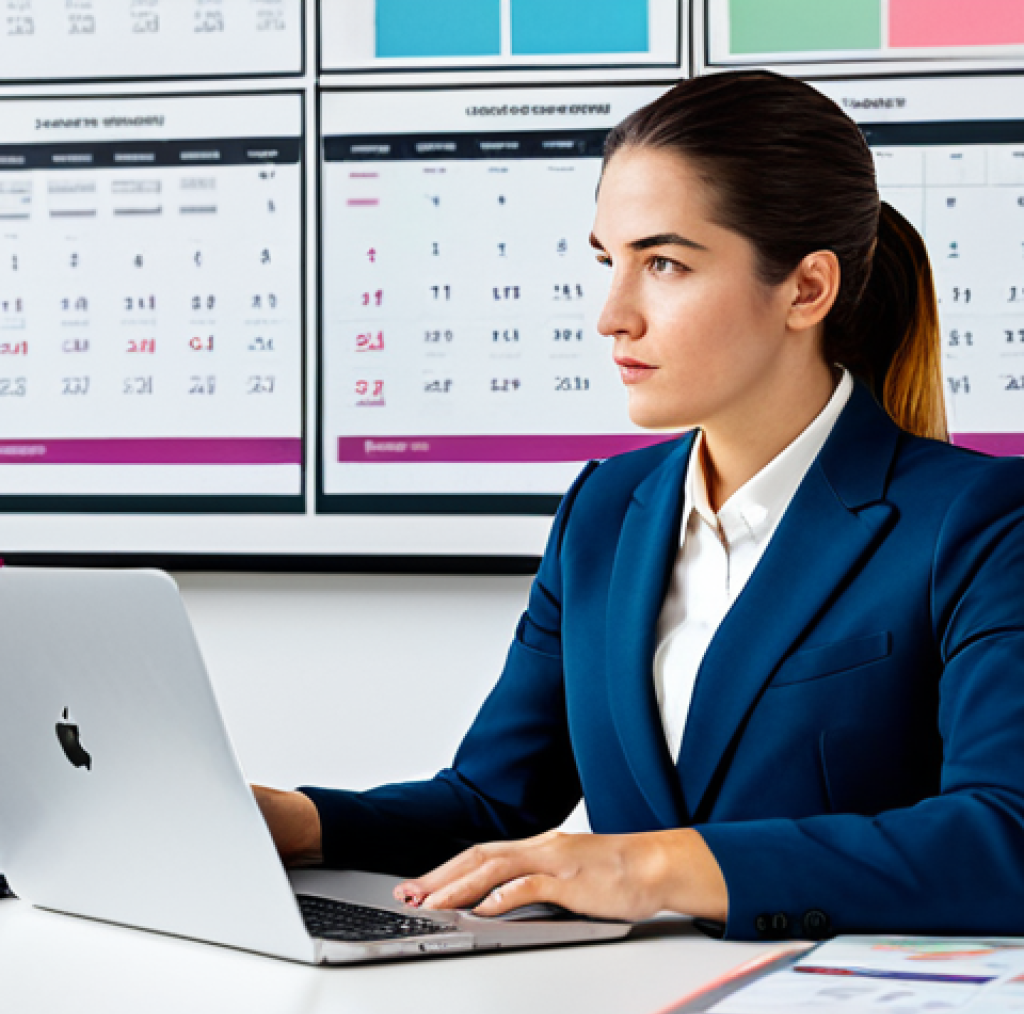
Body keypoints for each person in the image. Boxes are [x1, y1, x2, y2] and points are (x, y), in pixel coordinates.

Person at [254, 71, 1024, 941]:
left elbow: (1005, 835)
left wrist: (651, 863)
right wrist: (296, 821)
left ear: (806, 289)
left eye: (663, 263)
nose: (612, 315)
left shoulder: (982, 520)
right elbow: (492, 804)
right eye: (607, 262)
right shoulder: (605, 510)